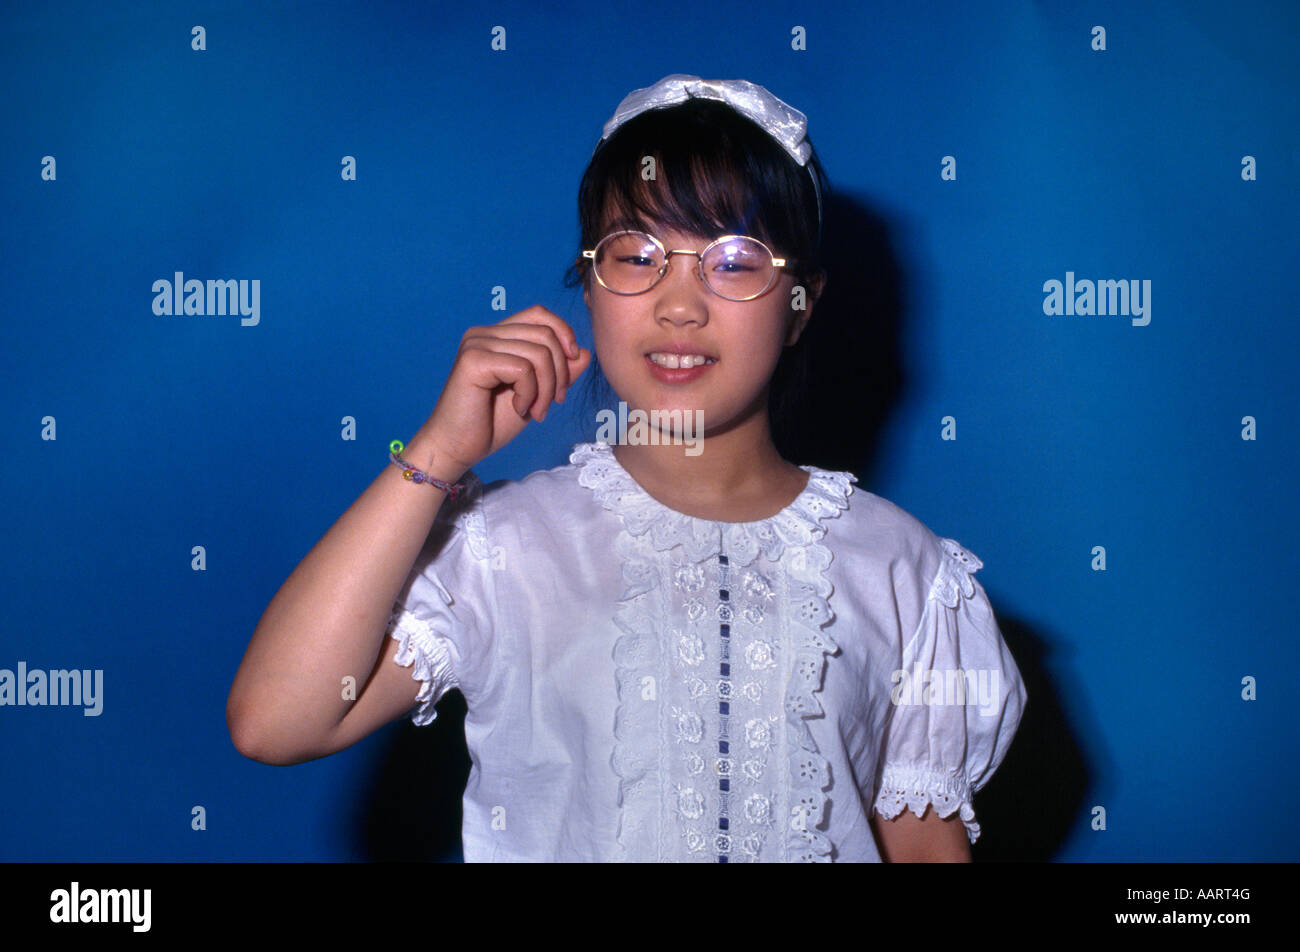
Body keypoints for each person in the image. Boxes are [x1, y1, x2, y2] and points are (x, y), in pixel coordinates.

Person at [226, 74, 1027, 862]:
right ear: (590, 283)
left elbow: (924, 845)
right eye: (637, 254)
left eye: (736, 259)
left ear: (800, 305)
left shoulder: (907, 573)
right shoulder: (502, 544)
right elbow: (276, 722)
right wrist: (435, 454)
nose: (679, 304)